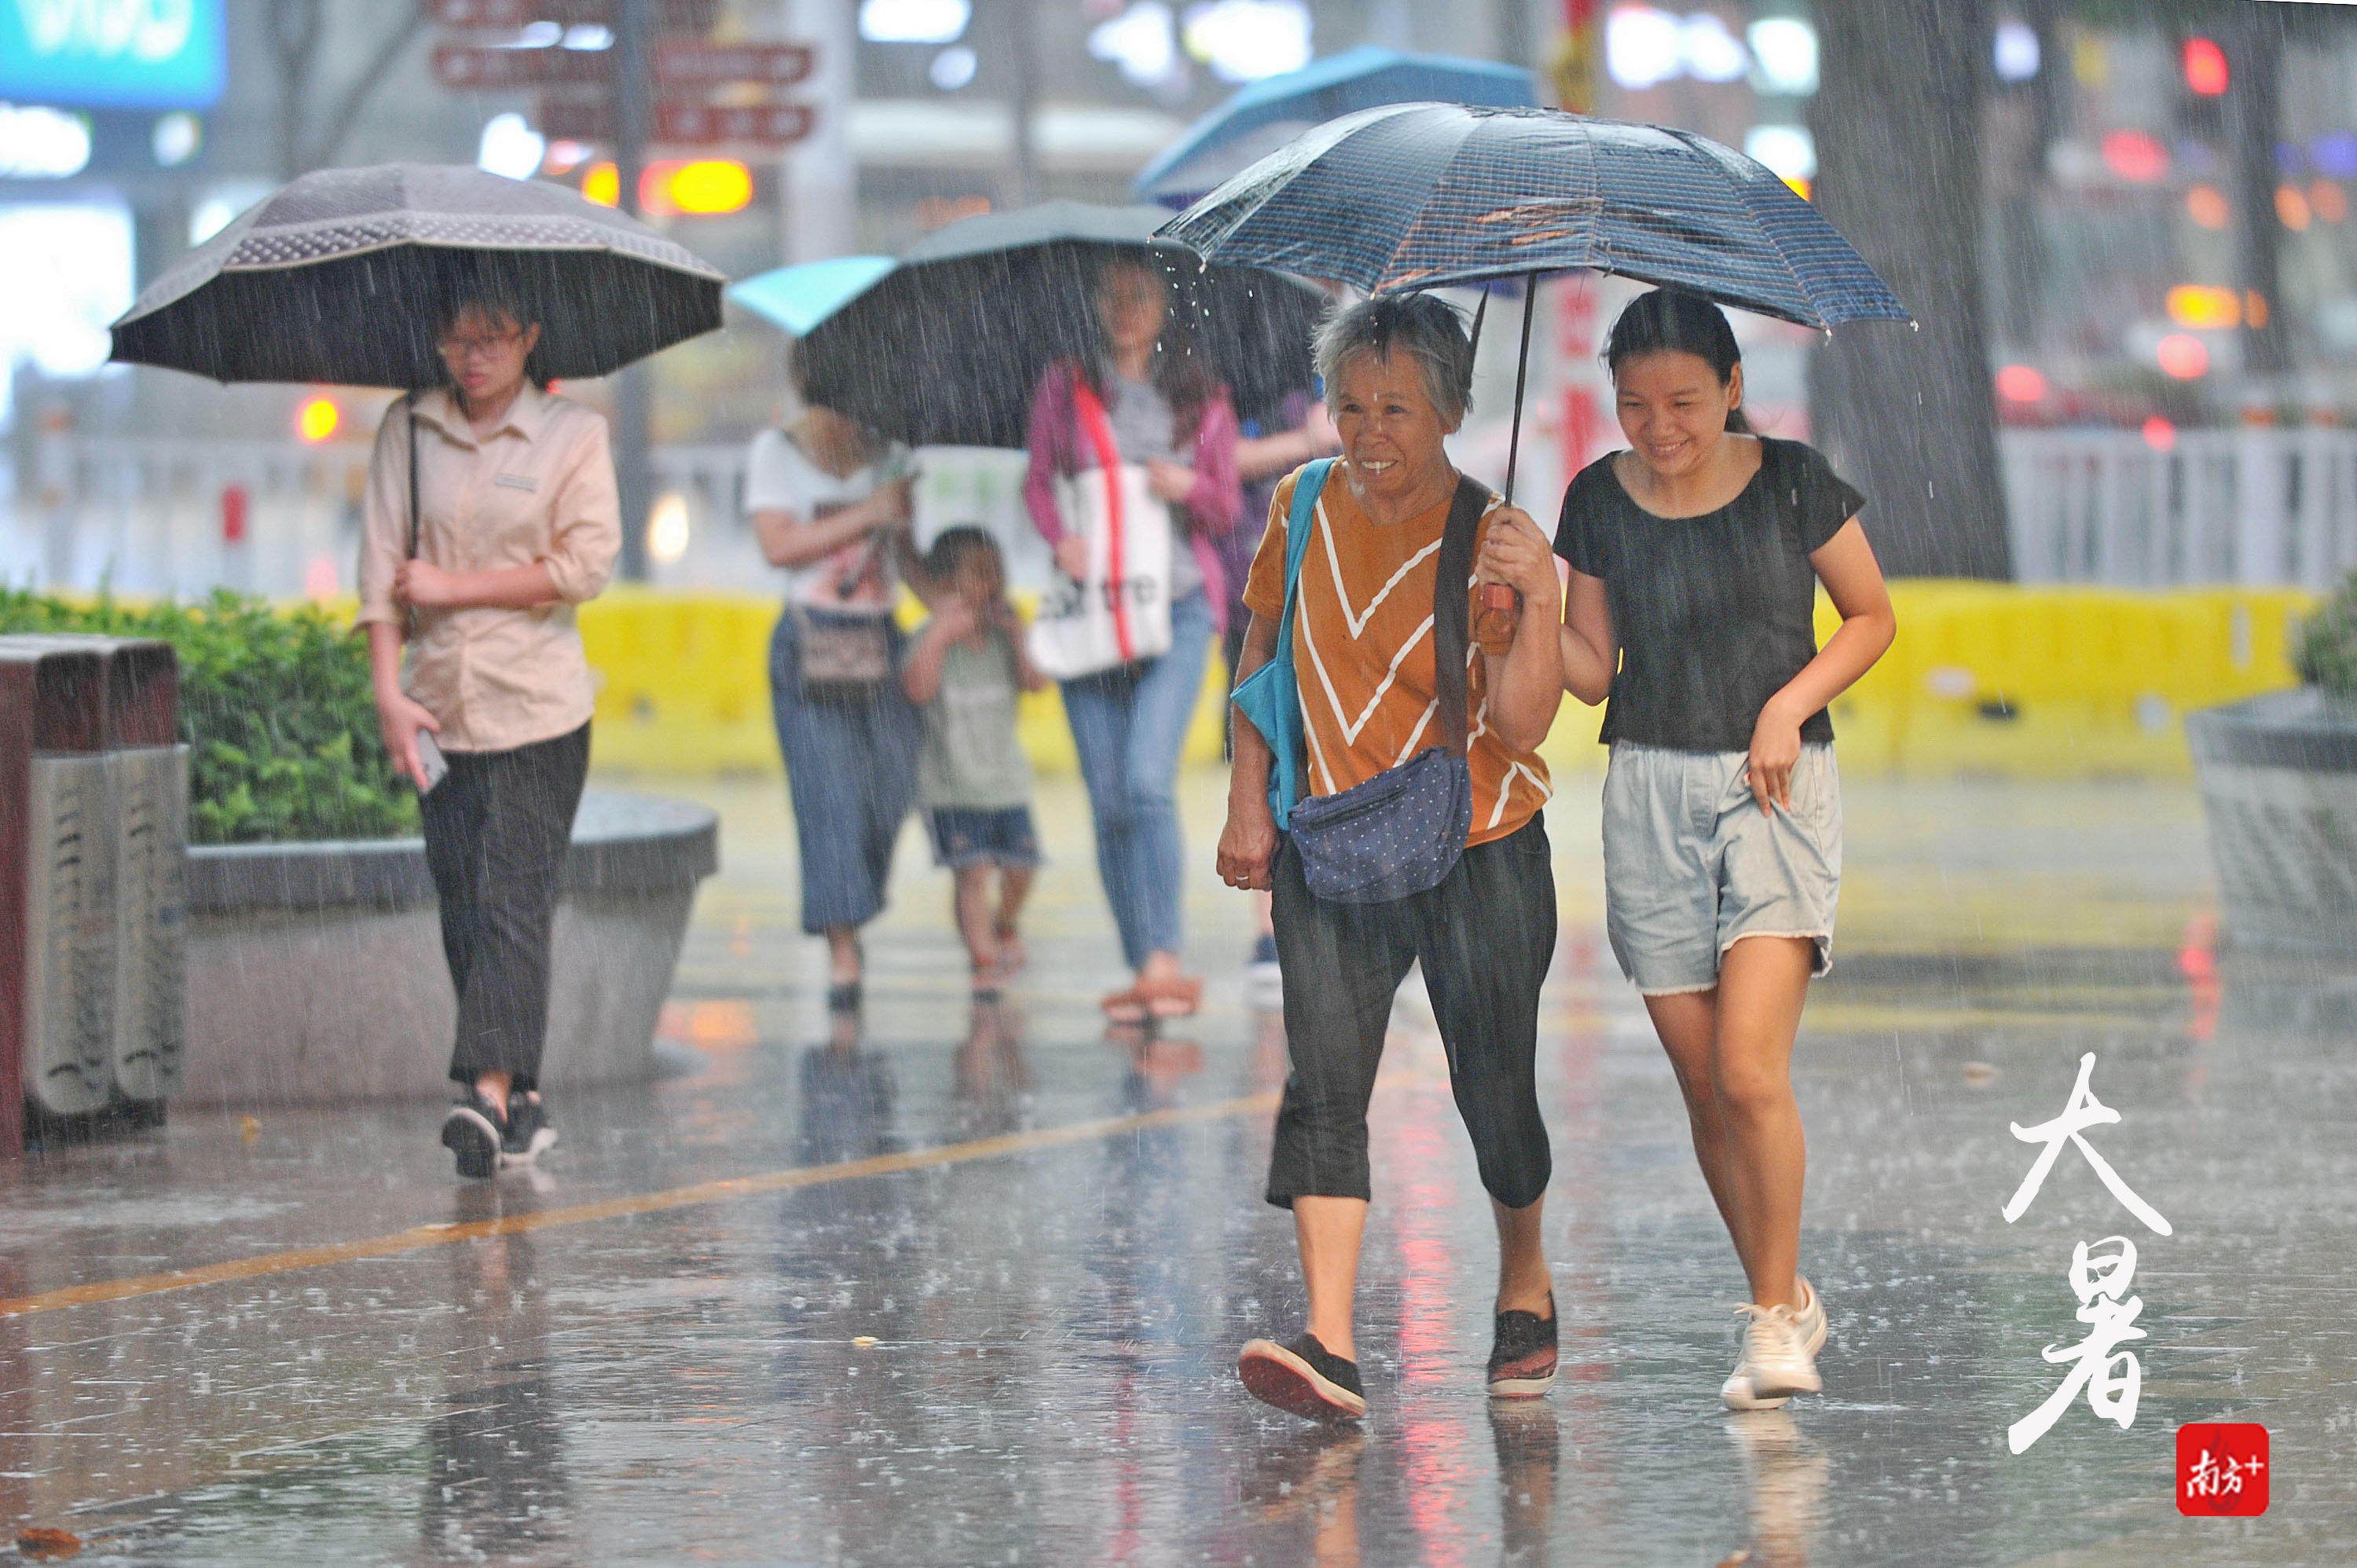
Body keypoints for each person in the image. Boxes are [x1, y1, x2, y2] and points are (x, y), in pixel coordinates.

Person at [1217, 292, 1568, 1422]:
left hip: (1481, 848)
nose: (1369, 432)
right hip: (1327, 841)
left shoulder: (1493, 532)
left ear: (1454, 412)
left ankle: (1524, 1274)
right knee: (1324, 1083)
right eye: (1350, 405)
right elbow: (1261, 645)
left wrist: (1539, 596)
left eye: (1398, 410)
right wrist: (1247, 802)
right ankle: (1329, 1340)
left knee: (1496, 1093)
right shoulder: (1300, 503)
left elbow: (1519, 726)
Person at [1550, 288, 1896, 1411]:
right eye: (1636, 405)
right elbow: (1594, 669)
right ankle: (1785, 1298)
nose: (1660, 426)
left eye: (1685, 402)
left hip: (1774, 785)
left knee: (1751, 1070)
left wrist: (1788, 705)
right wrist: (1519, 601)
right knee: (1705, 1091)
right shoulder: (1595, 500)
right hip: (1646, 785)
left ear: (1734, 389)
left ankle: (1767, 1328)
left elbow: (1871, 618)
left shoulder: (1794, 480)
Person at [358, 288, 619, 1180]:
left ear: (530, 338)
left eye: (495, 338)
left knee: (513, 892)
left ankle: (487, 1094)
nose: (474, 356)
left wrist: (456, 588)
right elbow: (380, 572)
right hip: (437, 706)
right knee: (464, 898)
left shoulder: (571, 435)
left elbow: (584, 567)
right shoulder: (410, 430)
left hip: (540, 706)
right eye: (458, 337)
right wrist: (389, 694)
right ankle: (526, 1096)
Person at [1025, 258, 1242, 1022]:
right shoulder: (1067, 384)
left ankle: (1163, 957)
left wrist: (1189, 488)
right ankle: (1140, 964)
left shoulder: (1202, 397)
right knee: (1109, 798)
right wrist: (1059, 541)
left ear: (1163, 305)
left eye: (1139, 295)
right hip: (1093, 615)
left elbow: (1224, 507)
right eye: (1110, 294)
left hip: (1178, 608)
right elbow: (1037, 481)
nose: (1124, 309)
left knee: (1148, 780)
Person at [748, 387, 925, 1013]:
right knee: (828, 799)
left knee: (891, 788)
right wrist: (868, 511)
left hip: (881, 637)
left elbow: (908, 561)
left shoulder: (893, 456)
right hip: (811, 637)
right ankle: (842, 950)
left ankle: (852, 903)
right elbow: (778, 547)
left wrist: (956, 596)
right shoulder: (778, 452)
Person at [899, 526, 1045, 999]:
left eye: (997, 572)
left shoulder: (1005, 639)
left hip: (1006, 783)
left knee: (1022, 868)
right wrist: (939, 637)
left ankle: (1006, 922)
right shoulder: (928, 639)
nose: (993, 584)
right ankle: (983, 959)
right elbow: (917, 690)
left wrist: (1020, 635)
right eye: (979, 574)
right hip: (951, 787)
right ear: (944, 586)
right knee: (973, 873)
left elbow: (1036, 682)